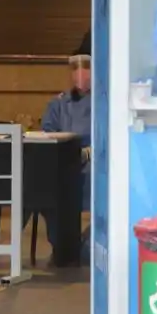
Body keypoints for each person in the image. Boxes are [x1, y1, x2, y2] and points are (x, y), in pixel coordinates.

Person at [36, 51, 92, 264]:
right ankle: (62, 245)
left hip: (92, 164)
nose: (80, 73)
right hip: (62, 163)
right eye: (75, 68)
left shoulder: (104, 103)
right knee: (44, 185)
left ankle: (85, 245)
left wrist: (90, 152)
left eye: (85, 67)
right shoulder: (58, 103)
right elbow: (47, 133)